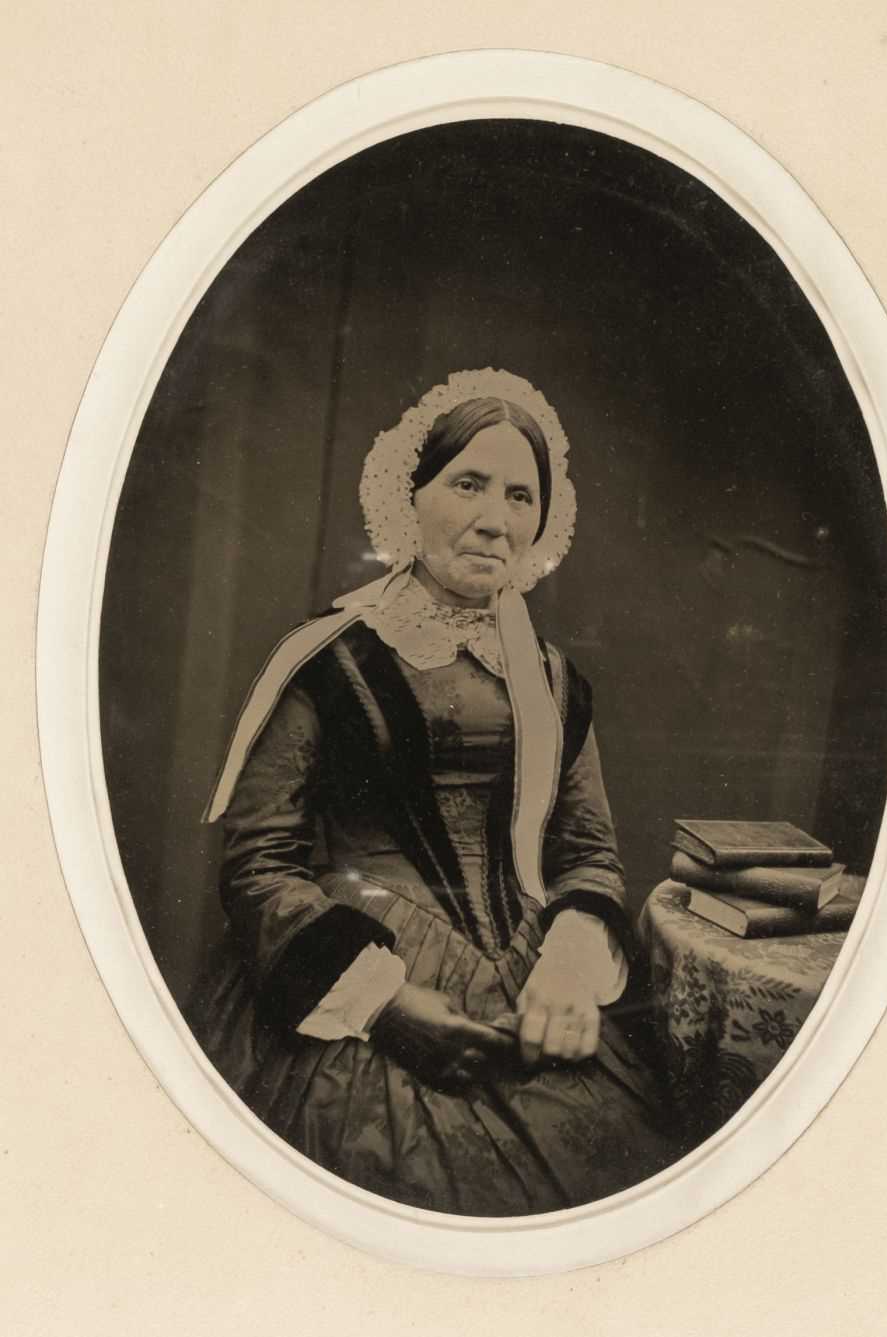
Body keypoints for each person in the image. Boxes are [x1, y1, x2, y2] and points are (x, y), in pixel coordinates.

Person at [194, 369, 678, 1215]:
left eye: (521, 495)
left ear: (542, 521)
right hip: (359, 990)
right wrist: (382, 1004)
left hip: (528, 975)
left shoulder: (558, 682)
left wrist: (566, 965)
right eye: (468, 484)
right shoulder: (329, 662)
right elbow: (257, 863)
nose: (496, 518)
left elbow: (588, 851)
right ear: (407, 498)